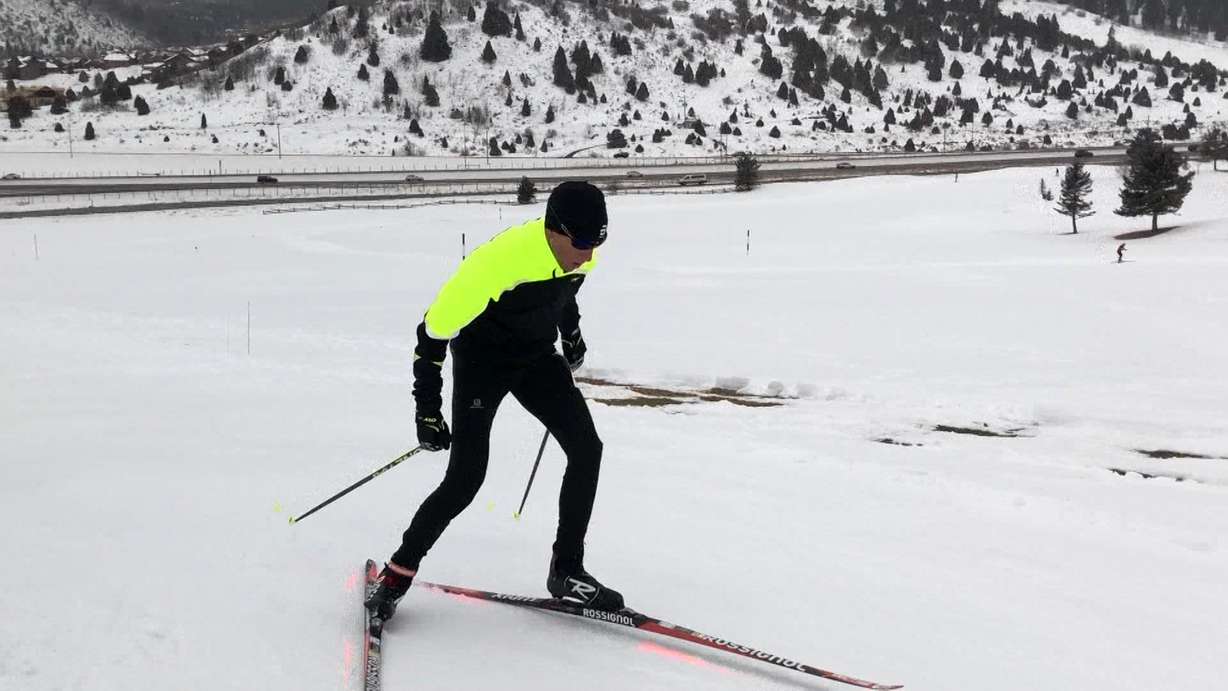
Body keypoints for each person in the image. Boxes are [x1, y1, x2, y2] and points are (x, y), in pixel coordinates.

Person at [365, 181, 623, 621]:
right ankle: (398, 572)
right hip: (483, 364)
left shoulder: (580, 257)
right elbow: (432, 332)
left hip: (536, 357)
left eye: (599, 241)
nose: (590, 254)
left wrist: (572, 335)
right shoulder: (498, 262)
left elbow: (565, 292)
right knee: (466, 479)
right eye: (582, 242)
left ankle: (566, 570)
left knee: (587, 449)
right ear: (553, 230)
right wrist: (426, 407)